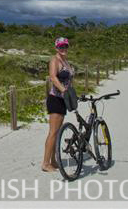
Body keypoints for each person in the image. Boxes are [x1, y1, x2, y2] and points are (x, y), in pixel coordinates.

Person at [42, 36, 75, 172]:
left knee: (57, 132)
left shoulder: (65, 61)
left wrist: (71, 94)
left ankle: (53, 161)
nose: (63, 48)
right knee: (53, 132)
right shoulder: (55, 60)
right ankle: (45, 163)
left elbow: (69, 81)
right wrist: (63, 90)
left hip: (63, 99)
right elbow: (53, 77)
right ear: (56, 47)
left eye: (65, 46)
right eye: (61, 46)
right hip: (56, 98)